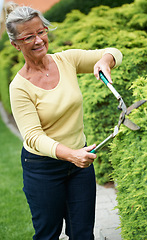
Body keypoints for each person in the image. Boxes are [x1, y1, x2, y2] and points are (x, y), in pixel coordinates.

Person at [5, 2, 123, 240]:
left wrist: (105, 60)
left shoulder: (66, 60)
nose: (38, 41)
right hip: (43, 168)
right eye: (28, 37)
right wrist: (72, 155)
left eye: (41, 32)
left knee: (83, 234)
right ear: (15, 44)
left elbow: (114, 52)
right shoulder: (19, 87)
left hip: (79, 168)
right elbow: (33, 137)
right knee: (48, 234)